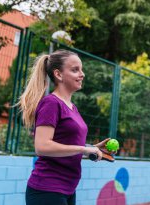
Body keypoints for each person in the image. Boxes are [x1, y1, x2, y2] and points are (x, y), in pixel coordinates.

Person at [19, 49, 110, 205]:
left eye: (81, 69)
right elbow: (42, 146)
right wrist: (84, 149)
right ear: (58, 74)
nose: (82, 74)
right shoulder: (51, 103)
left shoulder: (72, 107)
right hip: (47, 189)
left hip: (67, 189)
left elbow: (66, 146)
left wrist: (93, 149)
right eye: (75, 70)